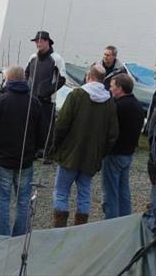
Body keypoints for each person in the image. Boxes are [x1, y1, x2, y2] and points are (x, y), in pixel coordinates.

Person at [50, 65, 118, 227]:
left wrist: (55, 146)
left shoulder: (77, 95)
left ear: (88, 77)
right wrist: (101, 154)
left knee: (61, 192)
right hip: (91, 157)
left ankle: (59, 228)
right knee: (84, 194)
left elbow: (62, 124)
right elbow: (112, 134)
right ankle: (80, 229)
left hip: (70, 154)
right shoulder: (109, 102)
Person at [0, 66, 43, 236]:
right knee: (23, 202)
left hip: (2, 160)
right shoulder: (35, 103)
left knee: (2, 201)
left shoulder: (0, 101)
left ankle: (2, 238)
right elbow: (42, 133)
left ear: (8, 80)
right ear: (24, 80)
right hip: (25, 161)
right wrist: (34, 151)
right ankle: (19, 237)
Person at [101, 73, 145, 219]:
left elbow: (109, 129)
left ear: (120, 88)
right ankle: (125, 218)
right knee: (123, 190)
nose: (110, 89)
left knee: (110, 191)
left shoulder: (118, 106)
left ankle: (110, 222)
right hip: (128, 152)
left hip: (115, 153)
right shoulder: (138, 105)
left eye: (112, 86)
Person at [24, 30, 67, 159]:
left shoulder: (57, 59)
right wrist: (27, 88)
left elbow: (62, 79)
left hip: (48, 100)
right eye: (37, 41)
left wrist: (46, 92)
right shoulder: (32, 57)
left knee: (47, 128)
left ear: (48, 42)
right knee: (31, 126)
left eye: (41, 41)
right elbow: (26, 73)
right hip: (32, 98)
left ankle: (48, 154)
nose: (38, 43)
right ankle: (32, 151)